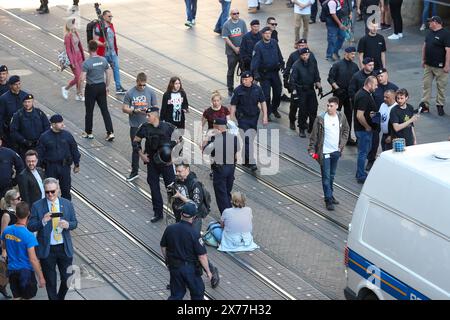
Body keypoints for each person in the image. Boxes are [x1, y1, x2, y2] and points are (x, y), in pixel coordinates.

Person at [28, 178, 78, 300]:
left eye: (52, 191)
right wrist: (43, 221)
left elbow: (75, 223)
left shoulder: (67, 204)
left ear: (58, 190)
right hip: (47, 249)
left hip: (63, 248)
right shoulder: (37, 206)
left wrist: (68, 225)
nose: (50, 194)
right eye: (47, 192)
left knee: (67, 278)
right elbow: (30, 226)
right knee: (51, 282)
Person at [160, 201, 217, 300]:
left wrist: (168, 261)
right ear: (194, 217)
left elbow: (163, 246)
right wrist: (208, 271)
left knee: (176, 295)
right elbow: (202, 256)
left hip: (175, 268)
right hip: (190, 270)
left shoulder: (170, 229)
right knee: (198, 293)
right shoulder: (194, 233)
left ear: (181, 214)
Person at [133, 107, 178, 223]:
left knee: (171, 188)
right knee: (154, 187)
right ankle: (158, 213)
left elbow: (179, 140)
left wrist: (173, 156)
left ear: (155, 116)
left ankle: (178, 213)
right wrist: (141, 155)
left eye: (149, 115)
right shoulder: (145, 127)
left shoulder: (168, 127)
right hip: (152, 162)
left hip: (166, 163)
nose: (146, 117)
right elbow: (136, 141)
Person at [308, 96, 349, 210]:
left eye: (331, 106)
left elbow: (346, 130)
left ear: (336, 106)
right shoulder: (320, 119)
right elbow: (314, 135)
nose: (329, 108)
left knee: (331, 175)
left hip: (336, 152)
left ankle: (330, 194)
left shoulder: (341, 117)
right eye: (327, 105)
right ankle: (328, 199)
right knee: (326, 177)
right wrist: (312, 150)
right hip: (324, 152)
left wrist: (341, 145)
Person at [1, 202, 45, 300]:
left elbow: (4, 246)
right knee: (26, 297)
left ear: (16, 214)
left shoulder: (7, 230)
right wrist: (41, 277)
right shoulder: (29, 236)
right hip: (26, 272)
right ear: (28, 214)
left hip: (12, 270)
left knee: (16, 297)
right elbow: (33, 259)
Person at [229, 71, 268, 171]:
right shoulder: (238, 90)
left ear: (251, 79)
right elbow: (233, 104)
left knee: (250, 140)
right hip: (243, 119)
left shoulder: (257, 89)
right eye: (243, 80)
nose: (244, 81)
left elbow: (263, 102)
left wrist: (265, 116)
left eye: (246, 79)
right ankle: (251, 161)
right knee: (248, 139)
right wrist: (232, 118)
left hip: (254, 118)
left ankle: (246, 160)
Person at [122, 72, 157, 182]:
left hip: (148, 124)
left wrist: (150, 112)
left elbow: (155, 107)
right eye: (140, 84)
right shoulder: (130, 93)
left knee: (153, 146)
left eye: (144, 85)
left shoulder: (150, 92)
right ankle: (134, 171)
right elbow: (124, 108)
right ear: (136, 81)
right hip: (135, 125)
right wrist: (133, 111)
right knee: (135, 147)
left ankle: (155, 170)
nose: (142, 87)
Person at [36, 114, 80, 201]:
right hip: (50, 167)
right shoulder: (44, 137)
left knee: (66, 189)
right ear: (53, 124)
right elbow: (39, 154)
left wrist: (77, 163)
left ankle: (66, 208)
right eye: (59, 123)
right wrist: (39, 168)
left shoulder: (67, 135)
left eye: (62, 122)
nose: (62, 124)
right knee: (49, 190)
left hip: (64, 167)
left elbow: (74, 149)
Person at [79, 40, 115, 141]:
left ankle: (88, 132)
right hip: (101, 87)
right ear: (97, 48)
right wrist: (107, 86)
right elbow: (109, 73)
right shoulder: (103, 60)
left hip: (91, 88)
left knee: (89, 111)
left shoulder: (87, 63)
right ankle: (110, 132)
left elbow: (82, 78)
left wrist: (80, 90)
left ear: (88, 49)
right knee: (104, 110)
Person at [203, 118, 239, 214]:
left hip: (220, 170)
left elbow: (206, 151)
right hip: (231, 168)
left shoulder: (215, 139)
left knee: (221, 195)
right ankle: (232, 211)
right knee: (227, 192)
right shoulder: (234, 138)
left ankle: (227, 217)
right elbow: (236, 155)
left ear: (217, 128)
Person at [327, 46, 359, 145]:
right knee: (335, 115)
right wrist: (337, 88)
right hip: (338, 94)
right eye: (352, 54)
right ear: (346, 53)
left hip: (349, 96)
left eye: (354, 54)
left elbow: (357, 80)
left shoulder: (355, 66)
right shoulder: (337, 65)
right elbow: (330, 78)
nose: (354, 56)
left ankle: (347, 137)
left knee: (349, 116)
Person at [284, 39, 317, 130]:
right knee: (294, 105)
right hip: (296, 86)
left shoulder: (311, 56)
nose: (302, 47)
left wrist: (317, 82)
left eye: (303, 45)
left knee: (305, 107)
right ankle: (292, 120)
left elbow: (315, 69)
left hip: (308, 87)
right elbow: (288, 68)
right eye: (300, 45)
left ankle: (303, 122)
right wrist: (286, 82)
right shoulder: (293, 56)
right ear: (297, 46)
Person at [419, 16, 450, 116]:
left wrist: (447, 65)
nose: (429, 23)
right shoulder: (429, 33)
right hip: (428, 65)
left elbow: (448, 51)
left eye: (430, 22)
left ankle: (440, 105)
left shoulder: (446, 34)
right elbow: (425, 46)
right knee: (426, 85)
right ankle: (425, 105)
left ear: (436, 22)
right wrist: (423, 59)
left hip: (440, 67)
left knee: (441, 86)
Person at [251, 27, 284, 119]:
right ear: (262, 35)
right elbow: (255, 61)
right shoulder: (258, 46)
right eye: (266, 33)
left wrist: (282, 64)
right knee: (266, 95)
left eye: (269, 33)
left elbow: (279, 54)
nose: (268, 35)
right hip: (264, 75)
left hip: (274, 73)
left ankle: (274, 109)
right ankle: (267, 112)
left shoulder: (274, 42)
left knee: (278, 92)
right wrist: (256, 74)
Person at [289, 48, 322, 138]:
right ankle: (302, 129)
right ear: (300, 55)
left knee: (314, 109)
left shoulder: (312, 63)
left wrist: (319, 87)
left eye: (307, 55)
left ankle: (311, 127)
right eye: (303, 55)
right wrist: (294, 93)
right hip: (301, 90)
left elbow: (316, 76)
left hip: (311, 90)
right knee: (302, 111)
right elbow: (292, 80)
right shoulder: (296, 65)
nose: (305, 56)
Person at [93, 10, 126, 95]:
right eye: (109, 16)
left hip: (113, 53)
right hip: (103, 54)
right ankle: (101, 89)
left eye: (111, 16)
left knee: (116, 69)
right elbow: (95, 41)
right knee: (102, 72)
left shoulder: (111, 25)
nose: (111, 18)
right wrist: (103, 44)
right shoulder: (98, 27)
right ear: (103, 16)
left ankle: (118, 87)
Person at [353, 76, 378, 184]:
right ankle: (361, 175)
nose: (376, 87)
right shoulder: (364, 96)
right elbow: (359, 115)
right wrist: (367, 126)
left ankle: (360, 172)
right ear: (369, 84)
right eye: (375, 84)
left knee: (363, 151)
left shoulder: (364, 94)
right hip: (363, 130)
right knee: (363, 152)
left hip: (363, 130)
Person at [10, 94, 50, 160]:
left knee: (39, 165)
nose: (27, 104)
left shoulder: (39, 113)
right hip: (25, 147)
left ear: (32, 101)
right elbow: (13, 131)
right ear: (22, 103)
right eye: (25, 102)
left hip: (39, 146)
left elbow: (47, 126)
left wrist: (42, 139)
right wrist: (23, 140)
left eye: (29, 102)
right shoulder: (18, 115)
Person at [222, 9, 247, 97]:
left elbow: (245, 35)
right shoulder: (227, 24)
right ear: (231, 14)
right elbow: (226, 38)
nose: (236, 15)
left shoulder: (242, 23)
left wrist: (242, 48)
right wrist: (234, 48)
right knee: (231, 70)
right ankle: (230, 88)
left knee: (243, 70)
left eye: (237, 13)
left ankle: (243, 87)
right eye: (234, 14)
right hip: (231, 53)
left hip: (241, 51)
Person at [0, 75, 28, 148]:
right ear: (10, 86)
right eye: (15, 84)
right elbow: (1, 116)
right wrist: (1, 134)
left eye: (19, 84)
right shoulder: (4, 98)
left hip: (23, 130)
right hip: (9, 131)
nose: (18, 86)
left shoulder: (25, 96)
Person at [61, 18, 85, 102]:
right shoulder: (67, 36)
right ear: (70, 26)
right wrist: (72, 62)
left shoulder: (75, 33)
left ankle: (78, 94)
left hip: (79, 56)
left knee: (81, 77)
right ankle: (66, 88)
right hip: (73, 58)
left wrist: (82, 56)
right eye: (74, 24)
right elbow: (68, 50)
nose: (76, 25)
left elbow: (79, 46)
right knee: (78, 77)